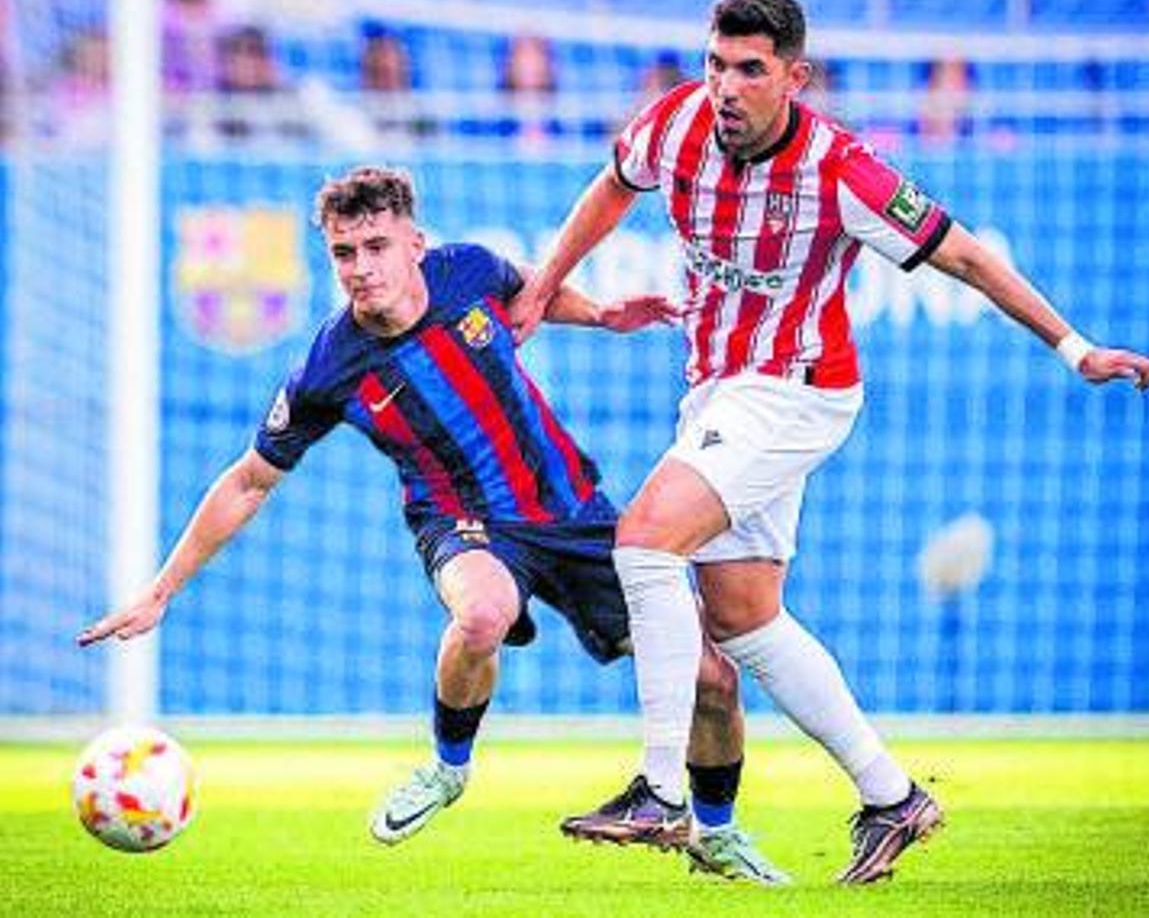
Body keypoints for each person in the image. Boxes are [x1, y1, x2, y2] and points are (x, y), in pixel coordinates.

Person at [510, 0, 1149, 886]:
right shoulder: (677, 124)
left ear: (793, 77)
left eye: (749, 70)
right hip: (717, 390)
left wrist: (1074, 346)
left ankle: (660, 793)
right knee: (742, 618)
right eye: (714, 64)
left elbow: (966, 255)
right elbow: (612, 186)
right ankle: (893, 795)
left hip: (796, 390)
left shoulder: (842, 169)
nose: (725, 88)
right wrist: (545, 283)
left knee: (643, 542)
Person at [76, 165, 768, 880]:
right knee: (482, 615)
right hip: (460, 519)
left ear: (415, 242)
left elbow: (533, 288)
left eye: (376, 246)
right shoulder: (328, 366)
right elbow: (249, 481)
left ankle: (714, 834)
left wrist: (598, 314)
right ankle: (447, 767)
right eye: (344, 253)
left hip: (571, 509)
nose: (361, 268)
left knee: (711, 679)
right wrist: (162, 589)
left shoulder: (468, 270)